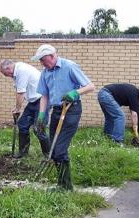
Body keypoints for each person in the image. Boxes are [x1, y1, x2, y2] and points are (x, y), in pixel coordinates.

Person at [33, 44, 95, 190]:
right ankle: (62, 184)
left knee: (59, 149)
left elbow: (90, 86)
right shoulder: (45, 72)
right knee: (54, 149)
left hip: (71, 110)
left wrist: (75, 93)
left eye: (43, 60)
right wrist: (42, 114)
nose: (41, 63)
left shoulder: (69, 66)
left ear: (53, 56)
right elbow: (44, 95)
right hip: (56, 111)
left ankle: (67, 187)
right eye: (40, 61)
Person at [0, 59, 50, 158]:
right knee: (22, 124)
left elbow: (20, 93)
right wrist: (17, 108)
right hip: (33, 102)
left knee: (38, 128)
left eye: (5, 73)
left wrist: (18, 109)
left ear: (9, 68)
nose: (6, 76)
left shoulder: (21, 70)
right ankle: (23, 152)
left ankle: (48, 154)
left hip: (42, 100)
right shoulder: (16, 72)